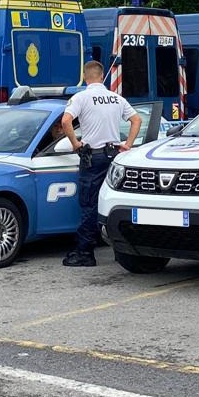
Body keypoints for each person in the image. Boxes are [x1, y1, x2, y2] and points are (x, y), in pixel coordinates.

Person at [60, 60, 142, 267]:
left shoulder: (81, 97)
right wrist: (127, 145)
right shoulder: (116, 98)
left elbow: (65, 121)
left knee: (89, 204)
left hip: (92, 157)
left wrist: (76, 144)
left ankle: (85, 253)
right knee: (113, 201)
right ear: (102, 75)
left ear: (85, 76)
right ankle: (121, 250)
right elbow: (137, 120)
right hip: (114, 156)